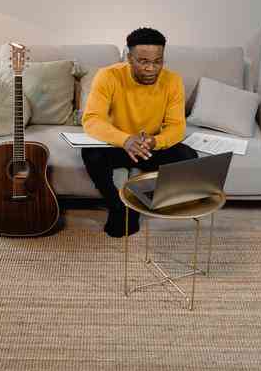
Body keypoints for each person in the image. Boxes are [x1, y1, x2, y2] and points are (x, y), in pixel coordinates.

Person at [81, 28, 198, 237]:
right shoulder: (108, 76)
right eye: (143, 61)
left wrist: (155, 141)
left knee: (188, 156)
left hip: (149, 147)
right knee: (90, 153)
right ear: (129, 58)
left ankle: (140, 201)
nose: (151, 68)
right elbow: (92, 119)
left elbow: (176, 126)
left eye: (157, 61)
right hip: (118, 145)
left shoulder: (173, 80)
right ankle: (117, 205)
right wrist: (125, 140)